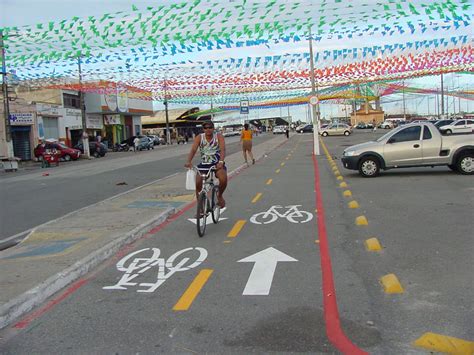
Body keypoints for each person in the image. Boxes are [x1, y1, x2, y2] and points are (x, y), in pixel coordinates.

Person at [185, 121, 227, 208]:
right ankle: (201, 208)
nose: (208, 129)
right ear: (203, 129)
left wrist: (221, 162)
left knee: (223, 179)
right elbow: (193, 150)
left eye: (210, 127)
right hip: (204, 164)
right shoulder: (199, 137)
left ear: (213, 128)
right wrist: (189, 161)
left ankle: (219, 195)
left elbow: (223, 150)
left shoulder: (218, 136)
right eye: (205, 128)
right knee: (198, 183)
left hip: (216, 163)